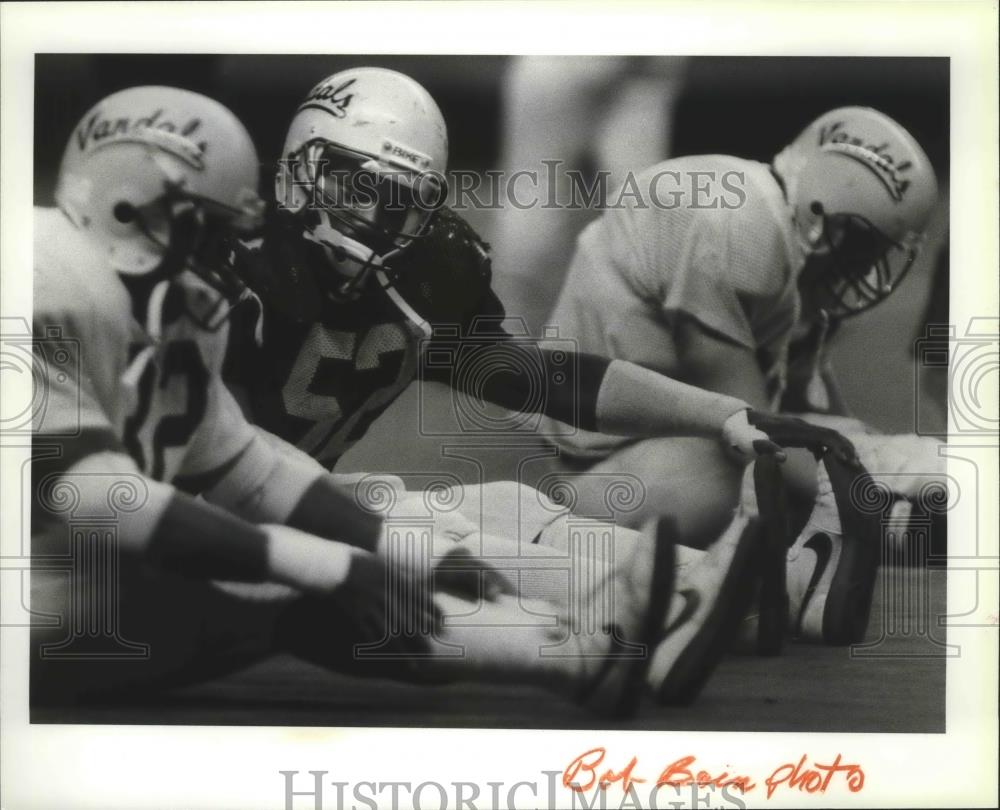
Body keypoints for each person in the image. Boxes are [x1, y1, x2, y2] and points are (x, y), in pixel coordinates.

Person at [30, 85, 701, 719]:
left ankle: (589, 652)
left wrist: (417, 558)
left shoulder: (177, 310)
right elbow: (94, 496)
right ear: (125, 211)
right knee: (312, 584)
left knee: (408, 543)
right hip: (43, 595)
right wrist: (336, 563)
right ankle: (592, 636)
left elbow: (245, 466)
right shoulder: (42, 273)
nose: (223, 258)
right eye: (208, 232)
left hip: (93, 570)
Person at [219, 67, 858, 693]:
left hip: (280, 490)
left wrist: (718, 412)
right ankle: (656, 614)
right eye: (356, 186)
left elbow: (541, 378)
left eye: (402, 202)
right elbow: (230, 459)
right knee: (411, 520)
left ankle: (761, 589)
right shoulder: (232, 274)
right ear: (298, 169)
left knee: (504, 502)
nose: (378, 221)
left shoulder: (414, 273)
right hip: (217, 512)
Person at [542, 106, 943, 644]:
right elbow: (748, 426)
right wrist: (877, 493)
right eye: (863, 245)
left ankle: (867, 536)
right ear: (825, 210)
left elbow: (806, 412)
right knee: (756, 464)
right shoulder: (737, 221)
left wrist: (881, 462)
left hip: (664, 450)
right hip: (605, 482)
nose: (865, 269)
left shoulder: (783, 242)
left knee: (860, 450)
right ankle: (788, 576)